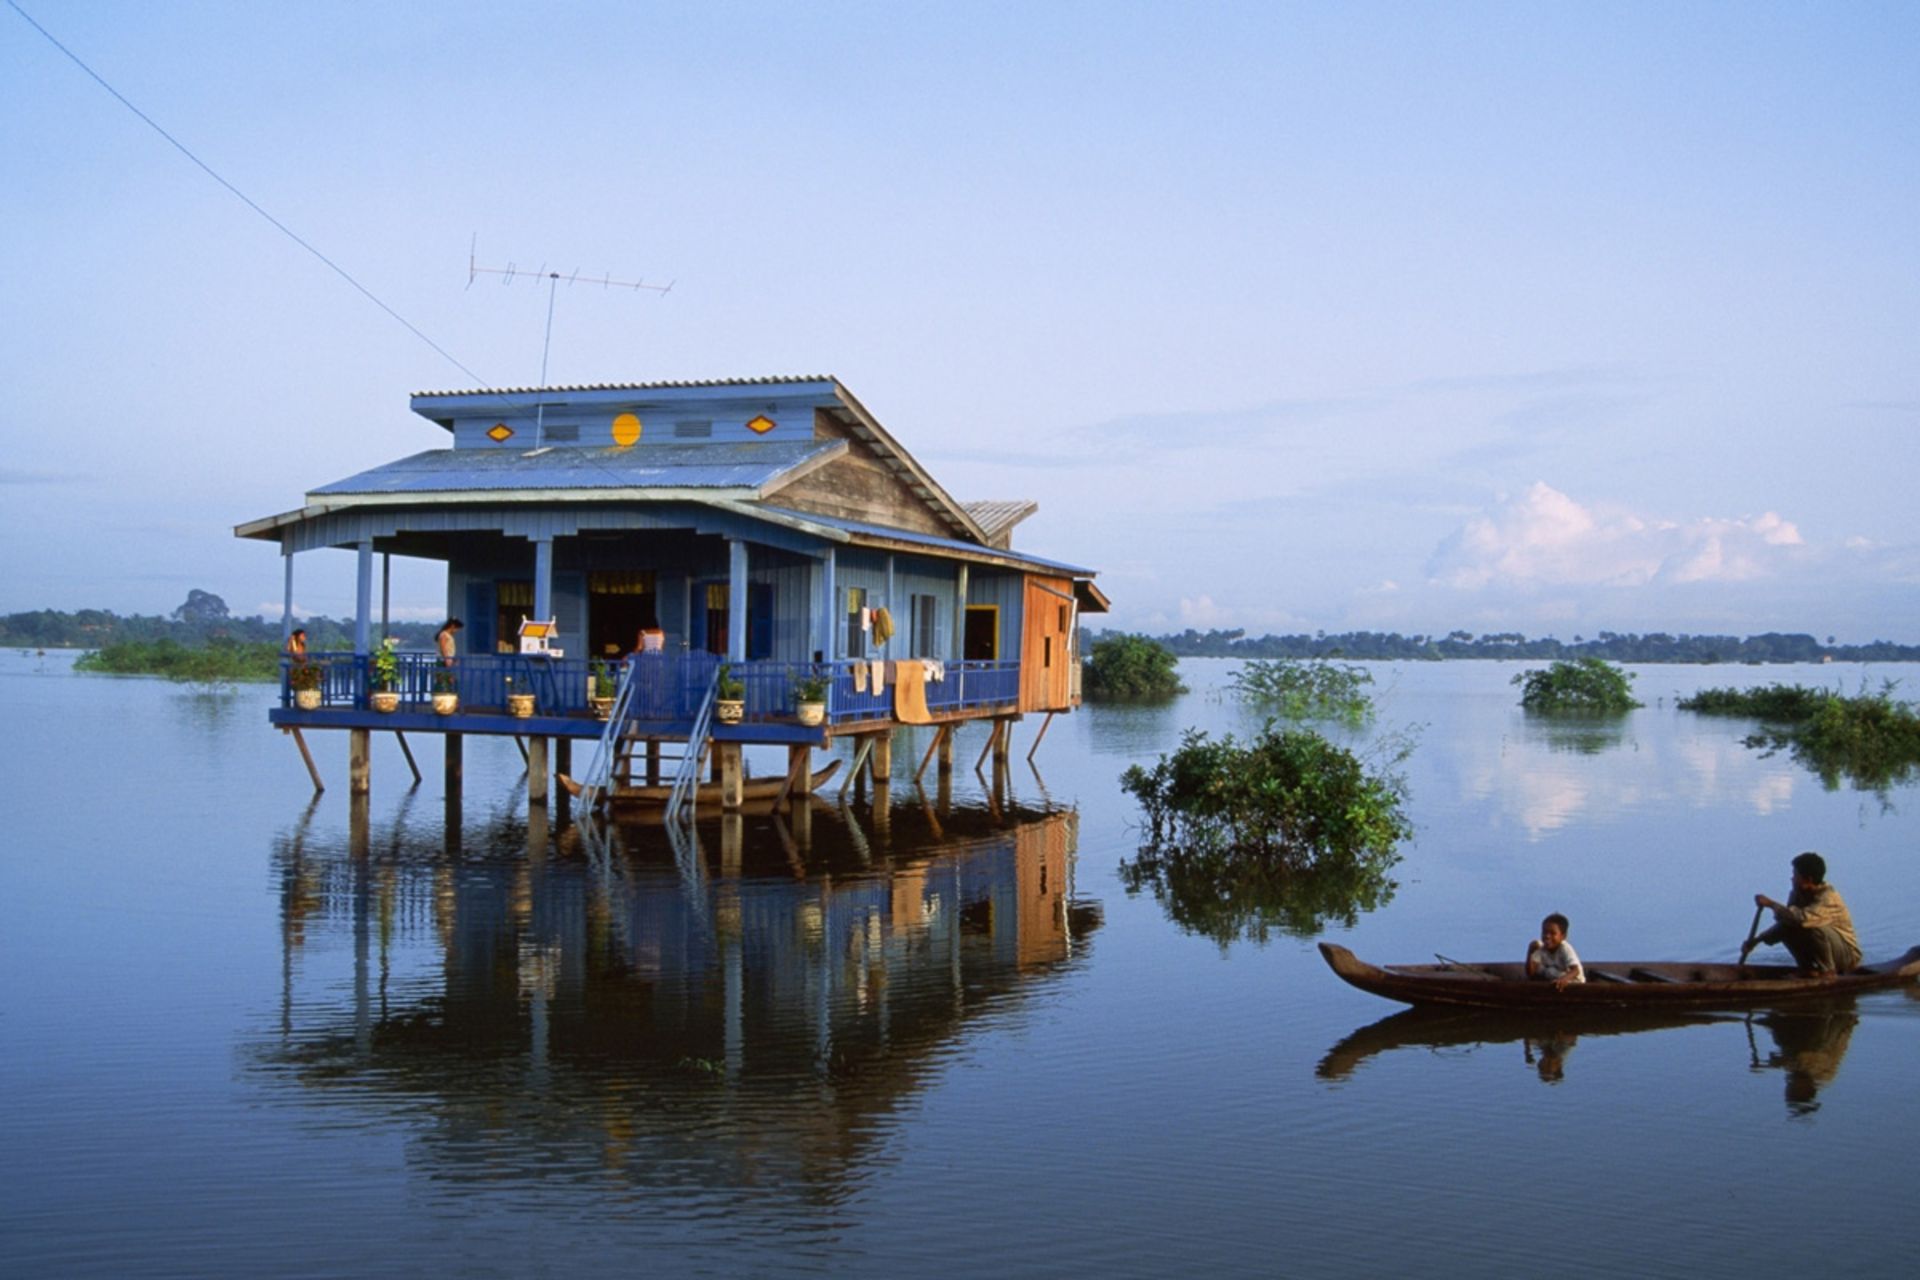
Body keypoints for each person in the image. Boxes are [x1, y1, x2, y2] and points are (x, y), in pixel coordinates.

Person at [1742, 851, 1860, 976]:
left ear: (1808, 880)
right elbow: (1786, 922)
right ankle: (1807, 968)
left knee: (1812, 927)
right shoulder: (1797, 894)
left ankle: (1828, 972)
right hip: (1825, 950)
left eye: (1795, 875)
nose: (1792, 878)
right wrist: (1757, 940)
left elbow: (1803, 920)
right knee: (1788, 926)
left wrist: (1771, 904)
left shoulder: (1828, 897)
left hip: (1847, 957)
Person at [1526, 912, 1585, 989]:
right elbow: (1531, 973)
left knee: (1549, 971)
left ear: (1563, 936)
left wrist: (1563, 980)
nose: (1547, 936)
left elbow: (1575, 970)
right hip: (1555, 979)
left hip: (1573, 981)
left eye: (1552, 933)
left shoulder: (1564, 948)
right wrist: (1530, 952)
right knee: (1541, 969)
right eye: (1544, 932)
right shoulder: (1542, 949)